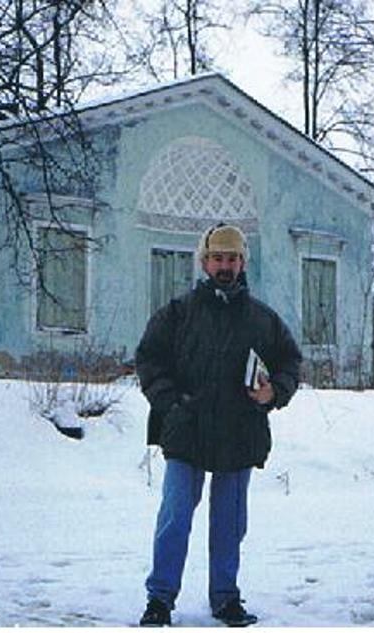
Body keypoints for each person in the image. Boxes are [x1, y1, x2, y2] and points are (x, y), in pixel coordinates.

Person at [135, 223, 302, 627]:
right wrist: (171, 403)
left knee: (229, 523)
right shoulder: (178, 313)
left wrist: (274, 392)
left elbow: (290, 362)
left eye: (232, 258)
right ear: (204, 262)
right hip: (186, 429)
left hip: (239, 433)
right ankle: (160, 600)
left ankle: (225, 598)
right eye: (217, 258)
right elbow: (149, 360)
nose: (224, 266)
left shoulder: (263, 320)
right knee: (175, 517)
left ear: (243, 263)